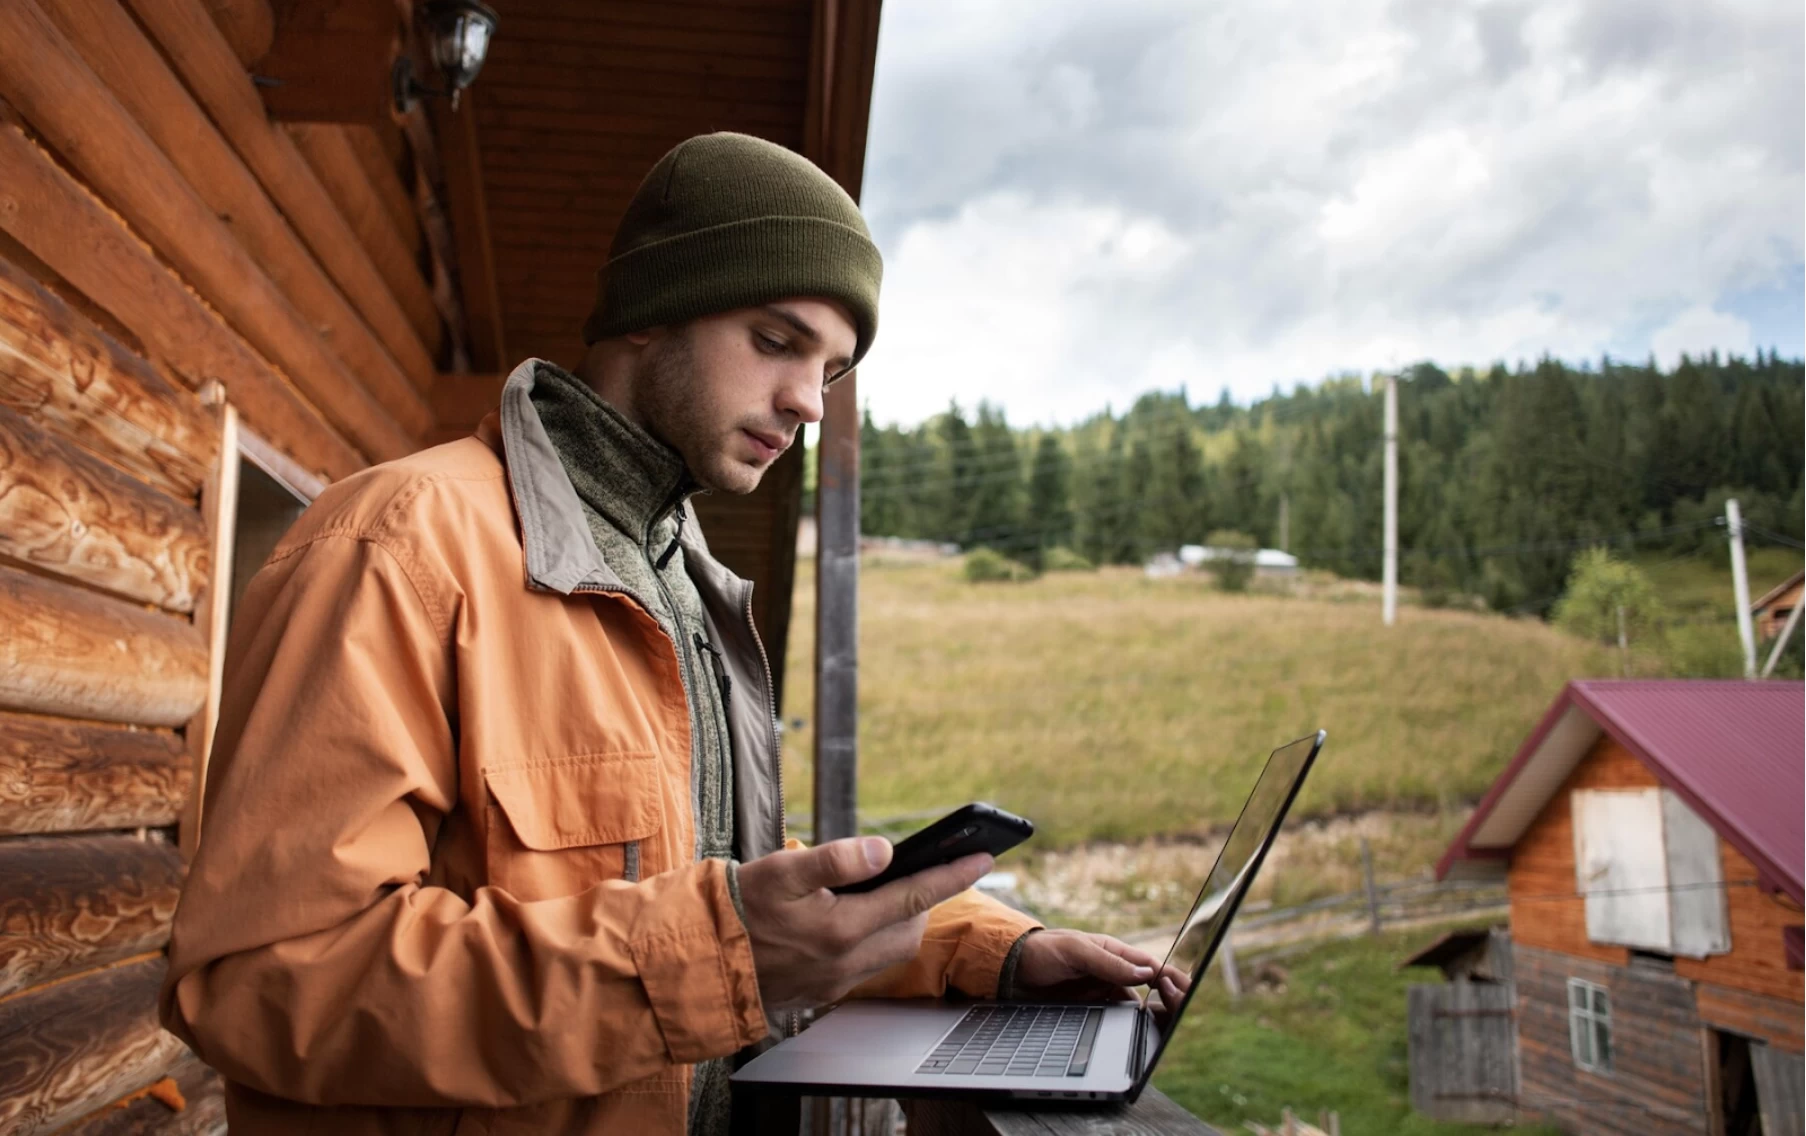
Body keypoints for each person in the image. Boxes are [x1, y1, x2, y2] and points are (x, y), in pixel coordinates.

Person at [160, 132, 1160, 1136]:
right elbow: (263, 979)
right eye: (777, 340)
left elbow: (710, 875)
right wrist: (711, 954)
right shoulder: (397, 543)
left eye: (833, 369)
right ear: (651, 309)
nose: (808, 402)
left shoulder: (689, 587)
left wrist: (987, 948)